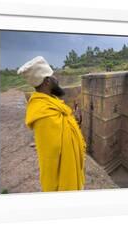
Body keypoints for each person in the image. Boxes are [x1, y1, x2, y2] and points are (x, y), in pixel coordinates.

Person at [17, 56, 87, 192]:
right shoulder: (43, 114)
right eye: (54, 76)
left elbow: (63, 129)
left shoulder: (51, 102)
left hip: (71, 169)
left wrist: (73, 121)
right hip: (63, 180)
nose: (57, 79)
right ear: (47, 81)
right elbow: (50, 159)